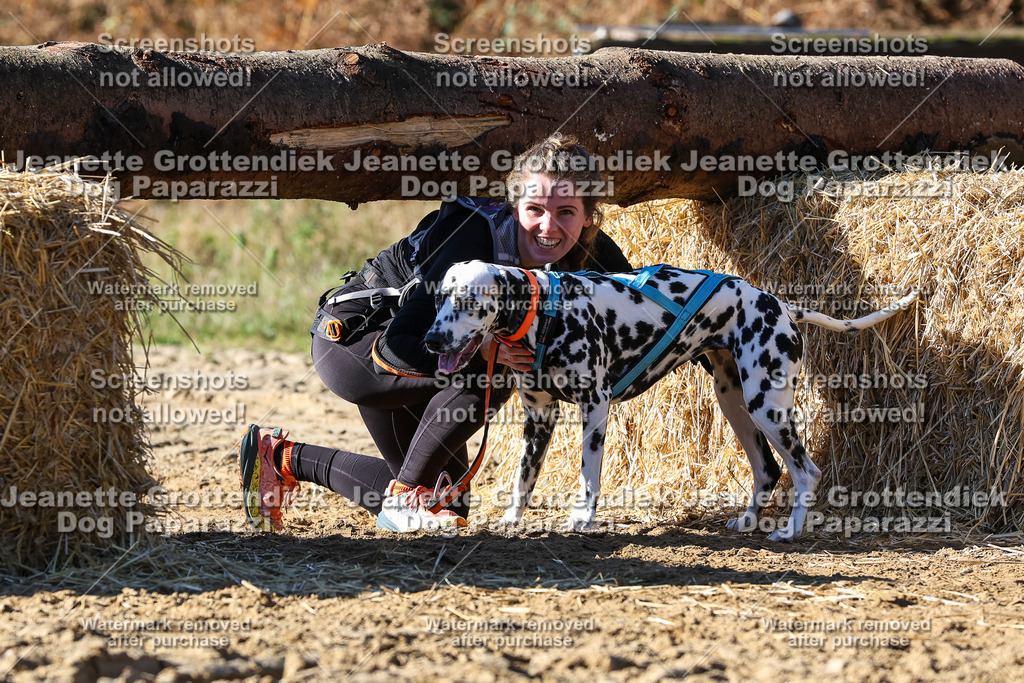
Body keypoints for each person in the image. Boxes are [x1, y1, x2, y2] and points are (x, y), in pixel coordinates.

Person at [238, 133, 633, 533]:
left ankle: (281, 458)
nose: (549, 227)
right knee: (495, 368)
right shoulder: (472, 237)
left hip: (428, 362)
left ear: (589, 216)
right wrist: (483, 351)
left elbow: (644, 303)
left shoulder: (588, 249)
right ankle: (406, 495)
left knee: (448, 504)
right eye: (534, 209)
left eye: (566, 212)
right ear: (513, 207)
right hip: (358, 345)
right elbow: (396, 350)